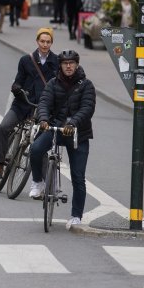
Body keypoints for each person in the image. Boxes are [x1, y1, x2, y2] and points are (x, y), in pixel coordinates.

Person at [28, 49, 95, 230]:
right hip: (55, 128)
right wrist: (43, 119)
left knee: (78, 177)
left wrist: (73, 122)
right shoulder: (52, 83)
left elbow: (87, 108)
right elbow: (44, 102)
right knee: (35, 149)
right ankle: (38, 182)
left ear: (77, 64)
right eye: (65, 63)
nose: (68, 66)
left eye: (71, 63)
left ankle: (76, 216)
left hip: (77, 134)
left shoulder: (86, 85)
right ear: (60, 65)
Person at [0, 27, 58, 176]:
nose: (45, 44)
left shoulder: (56, 62)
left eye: (48, 42)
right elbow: (18, 81)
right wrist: (17, 88)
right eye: (42, 41)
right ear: (37, 41)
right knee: (4, 126)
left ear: (51, 43)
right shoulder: (26, 60)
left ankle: (43, 184)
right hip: (23, 104)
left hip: (43, 109)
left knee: (41, 144)